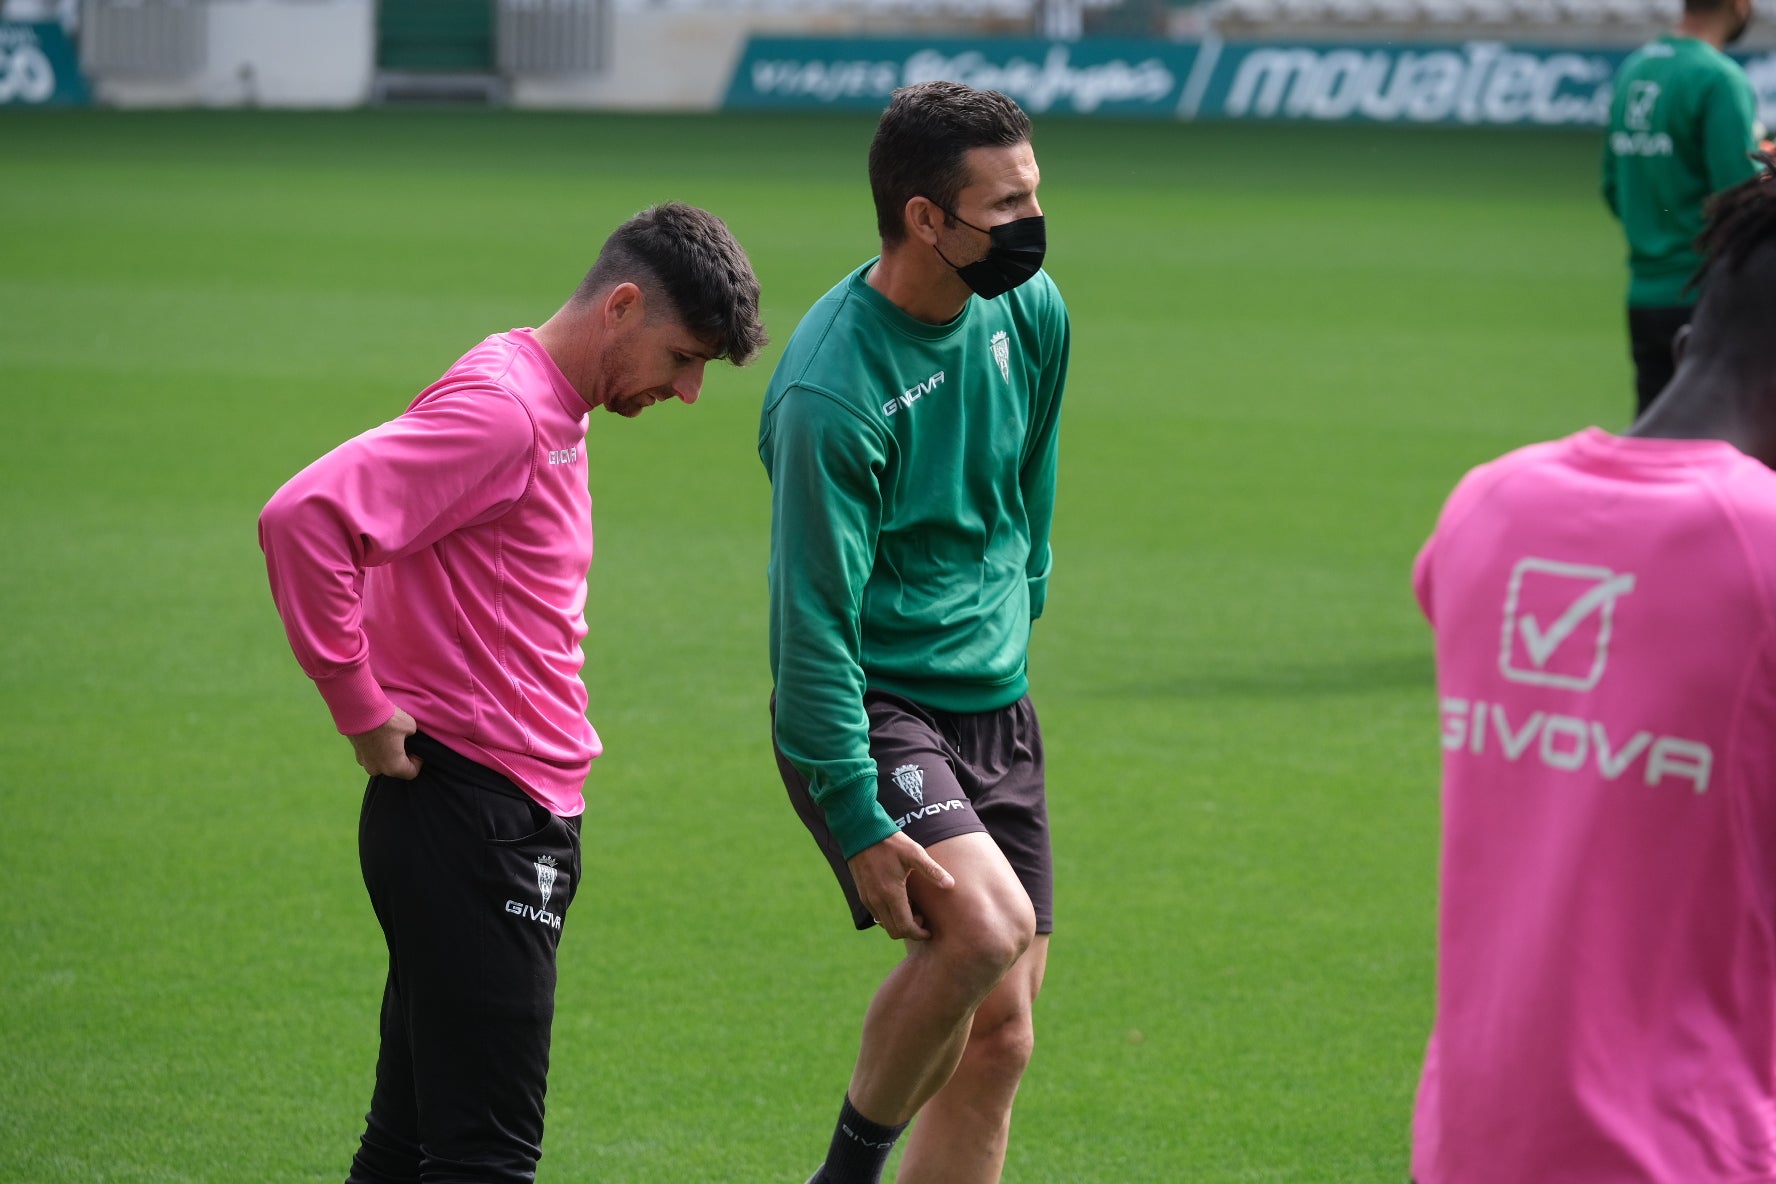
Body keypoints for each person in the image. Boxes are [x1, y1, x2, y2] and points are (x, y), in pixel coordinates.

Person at [258, 201, 764, 1184]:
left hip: (483, 815)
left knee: (408, 1145)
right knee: (486, 1158)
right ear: (622, 306)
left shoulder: (538, 393)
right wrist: (361, 706)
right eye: (685, 357)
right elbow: (305, 517)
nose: (691, 390)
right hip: (475, 820)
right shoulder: (506, 410)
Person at [1410, 159, 1776, 1183]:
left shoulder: (1486, 506)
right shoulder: (1760, 547)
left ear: (1694, 338)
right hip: (1696, 1147)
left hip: (1471, 1142)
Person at [758, 81, 1069, 1184]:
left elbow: (1029, 482)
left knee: (1002, 1037)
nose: (1031, 222)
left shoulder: (1031, 310)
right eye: (1005, 204)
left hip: (997, 702)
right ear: (925, 218)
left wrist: (1016, 606)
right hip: (875, 702)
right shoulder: (831, 391)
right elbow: (812, 625)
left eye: (1035, 193)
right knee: (983, 929)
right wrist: (852, 809)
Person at [1602, 0, 1764, 415]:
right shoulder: (1718, 78)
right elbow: (1743, 201)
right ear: (1739, 5)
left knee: (1654, 449)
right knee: (1720, 448)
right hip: (1708, 299)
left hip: (1644, 294)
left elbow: (1612, 188)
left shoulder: (1636, 68)